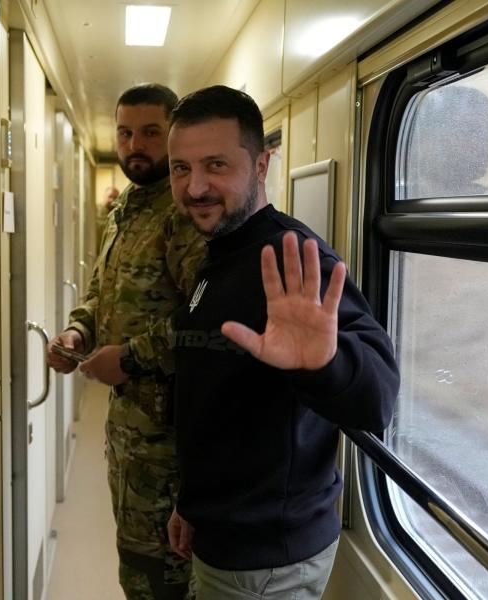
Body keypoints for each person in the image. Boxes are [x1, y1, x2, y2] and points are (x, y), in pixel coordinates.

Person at [164, 85, 399, 599]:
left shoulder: (294, 259)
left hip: (267, 560)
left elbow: (377, 398)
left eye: (216, 165)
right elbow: (215, 401)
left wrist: (326, 363)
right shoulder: (221, 252)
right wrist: (192, 502)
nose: (195, 186)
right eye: (180, 168)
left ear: (262, 164)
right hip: (225, 532)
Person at [46, 83, 206, 600]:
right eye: (125, 132)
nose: (135, 144)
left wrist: (131, 358)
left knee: (164, 582)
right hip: (128, 437)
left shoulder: (187, 217)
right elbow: (100, 294)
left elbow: (205, 322)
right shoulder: (124, 213)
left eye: (151, 132)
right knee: (137, 572)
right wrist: (79, 329)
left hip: (171, 449)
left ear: (174, 136)